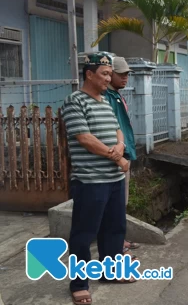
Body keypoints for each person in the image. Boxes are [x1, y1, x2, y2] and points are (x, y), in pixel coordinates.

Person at [63, 52, 135, 305]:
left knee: (114, 229)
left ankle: (111, 272)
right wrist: (117, 157)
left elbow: (117, 128)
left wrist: (120, 144)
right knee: (84, 233)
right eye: (104, 74)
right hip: (90, 181)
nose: (109, 78)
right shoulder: (74, 101)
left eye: (109, 74)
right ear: (89, 74)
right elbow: (84, 138)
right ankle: (79, 283)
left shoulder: (106, 100)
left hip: (113, 179)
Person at [103, 56, 140, 254]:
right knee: (116, 203)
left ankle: (120, 240)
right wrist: (120, 156)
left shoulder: (116, 96)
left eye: (127, 74)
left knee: (120, 202)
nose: (125, 78)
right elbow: (112, 128)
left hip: (124, 153)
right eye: (121, 74)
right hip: (118, 155)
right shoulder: (107, 98)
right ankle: (116, 243)